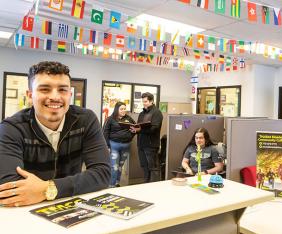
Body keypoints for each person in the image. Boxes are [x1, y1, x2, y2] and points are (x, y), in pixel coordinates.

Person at [0, 61, 110, 207]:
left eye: (62, 90)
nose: (55, 97)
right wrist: (70, 186)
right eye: (45, 89)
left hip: (72, 207)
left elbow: (102, 173)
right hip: (27, 210)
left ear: (70, 94)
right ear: (30, 95)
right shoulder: (11, 128)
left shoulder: (86, 120)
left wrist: (49, 189)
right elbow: (9, 187)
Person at [131, 92, 163, 183]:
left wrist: (139, 130)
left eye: (146, 101)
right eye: (143, 101)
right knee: (144, 166)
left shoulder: (157, 112)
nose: (144, 103)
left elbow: (154, 128)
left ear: (152, 101)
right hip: (141, 143)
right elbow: (138, 126)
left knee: (152, 167)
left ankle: (154, 186)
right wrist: (134, 129)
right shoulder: (142, 113)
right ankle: (146, 184)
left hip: (151, 145)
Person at [103, 102, 136, 187]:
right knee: (114, 166)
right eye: (121, 109)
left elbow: (136, 128)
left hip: (126, 146)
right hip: (114, 146)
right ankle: (111, 184)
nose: (123, 110)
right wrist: (107, 146)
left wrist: (131, 135)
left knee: (120, 166)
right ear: (116, 109)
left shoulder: (129, 118)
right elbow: (105, 132)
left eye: (124, 109)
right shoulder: (110, 119)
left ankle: (117, 182)